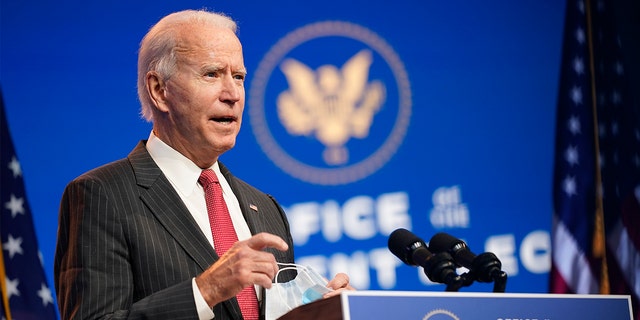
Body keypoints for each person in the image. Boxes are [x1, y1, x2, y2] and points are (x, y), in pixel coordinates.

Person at [54, 9, 353, 320]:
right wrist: (206, 290)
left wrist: (325, 311)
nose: (233, 94)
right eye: (211, 74)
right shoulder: (102, 195)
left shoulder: (264, 208)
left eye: (238, 77)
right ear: (160, 90)